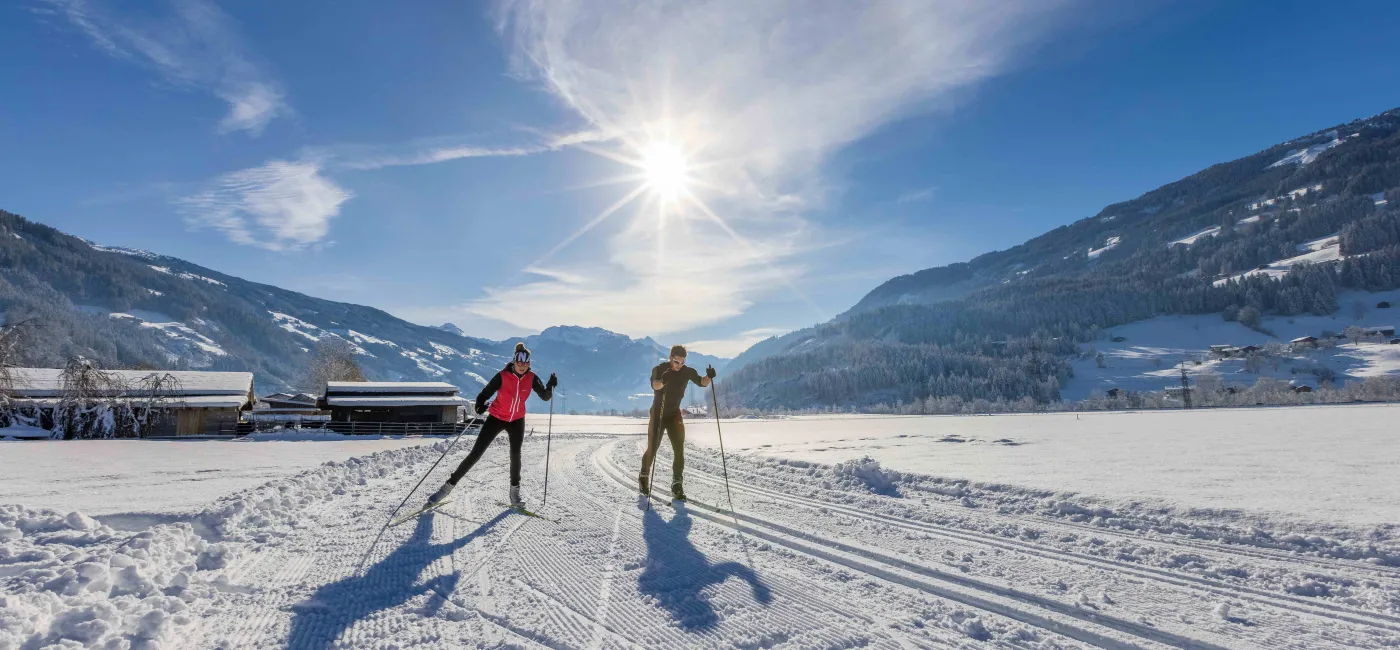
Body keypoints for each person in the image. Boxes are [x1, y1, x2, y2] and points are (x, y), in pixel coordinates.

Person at [425, 342, 556, 508]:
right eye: (519, 363)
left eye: (525, 364)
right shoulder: (502, 375)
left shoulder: (532, 378)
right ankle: (446, 488)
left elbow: (545, 396)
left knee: (515, 455)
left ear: (528, 364)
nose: (522, 366)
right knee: (476, 454)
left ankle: (514, 493)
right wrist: (480, 404)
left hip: (517, 420)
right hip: (496, 417)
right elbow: (485, 392)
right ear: (514, 362)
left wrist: (551, 385)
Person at [639, 344, 715, 501]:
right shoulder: (659, 369)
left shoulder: (687, 371)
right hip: (657, 415)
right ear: (670, 358)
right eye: (676, 362)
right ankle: (644, 475)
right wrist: (663, 380)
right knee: (653, 448)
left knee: (679, 450)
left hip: (674, 415)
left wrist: (709, 376)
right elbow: (655, 384)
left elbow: (702, 383)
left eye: (682, 362)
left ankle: (677, 485)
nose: (679, 365)